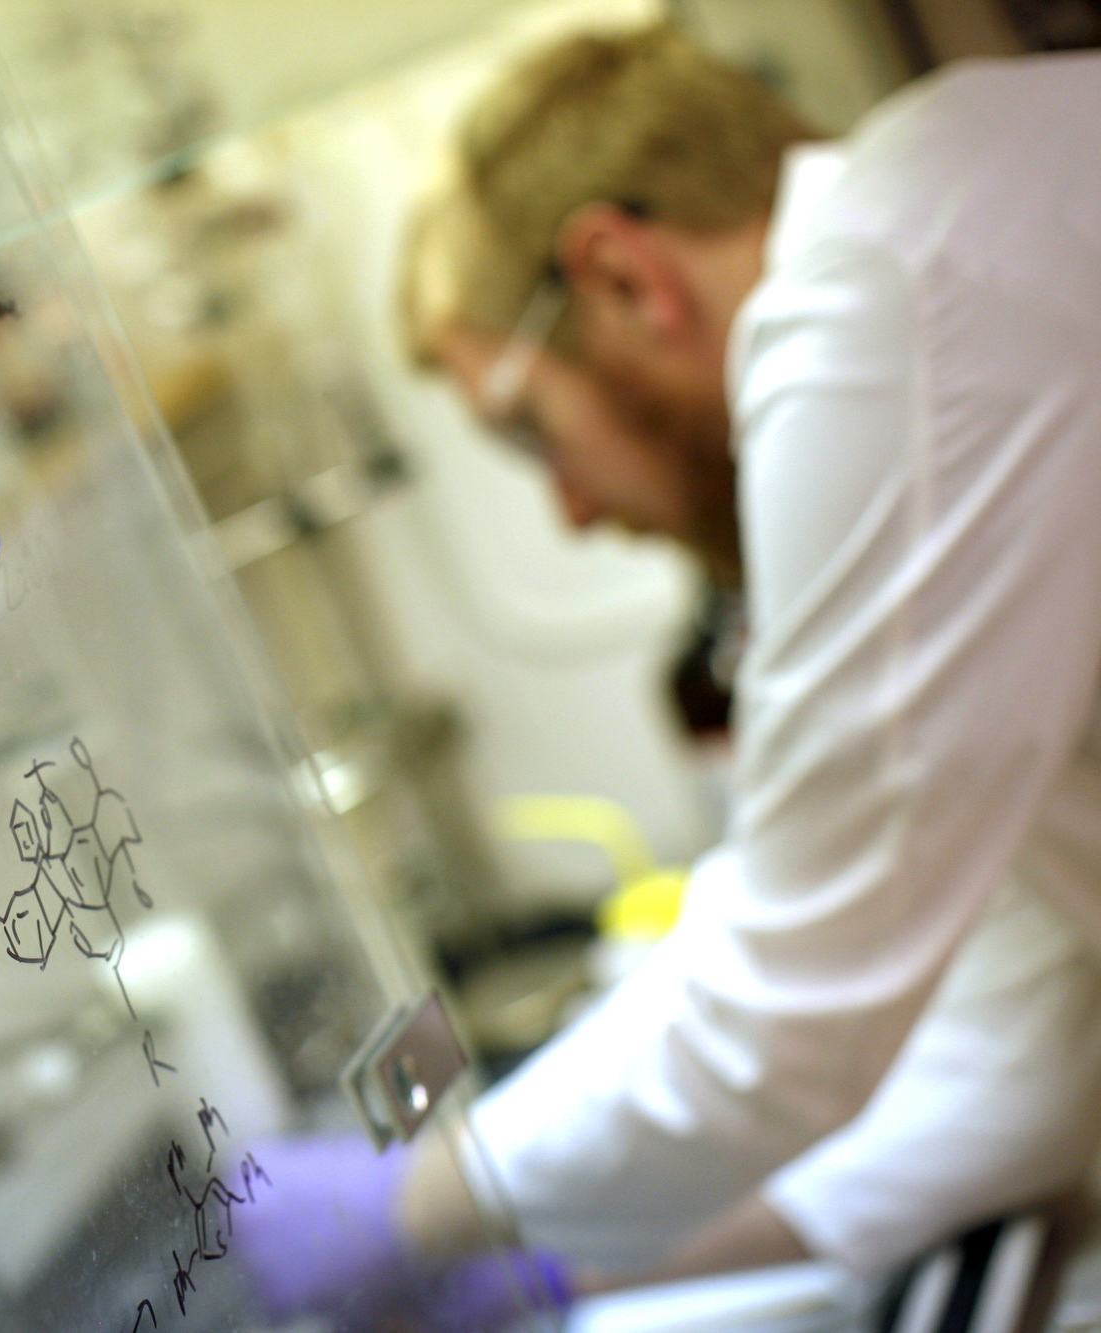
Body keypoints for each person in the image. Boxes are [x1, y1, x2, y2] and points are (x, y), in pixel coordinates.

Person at [237, 23, 1101, 1327]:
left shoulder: (888, 287)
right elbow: (1024, 1048)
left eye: (532, 433)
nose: (574, 513)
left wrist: (413, 1204)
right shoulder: (960, 233)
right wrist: (554, 1262)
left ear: (628, 279)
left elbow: (792, 1009)